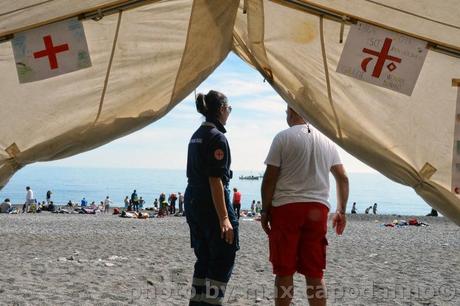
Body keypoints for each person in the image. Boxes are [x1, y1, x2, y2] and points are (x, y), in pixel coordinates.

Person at [261, 106, 349, 306]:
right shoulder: (327, 140)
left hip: (286, 209)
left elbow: (269, 179)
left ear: (292, 111)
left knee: (284, 271)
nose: (286, 116)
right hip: (317, 210)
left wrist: (265, 210)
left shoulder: (282, 137)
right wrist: (341, 211)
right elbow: (342, 178)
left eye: (286, 112)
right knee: (315, 273)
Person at [184, 90, 238, 305]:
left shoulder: (196, 135)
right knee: (223, 257)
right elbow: (215, 179)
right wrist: (224, 218)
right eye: (229, 109)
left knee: (204, 258)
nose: (229, 113)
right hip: (210, 202)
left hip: (193, 199)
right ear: (222, 109)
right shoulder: (217, 137)